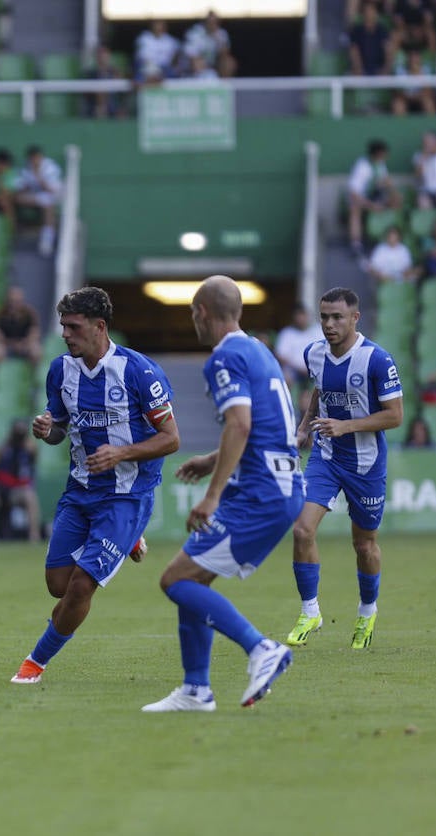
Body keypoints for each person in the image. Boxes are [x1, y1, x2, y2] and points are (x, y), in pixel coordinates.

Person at [143, 276, 301, 712]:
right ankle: (196, 689)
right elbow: (260, 426)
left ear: (201, 313)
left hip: (260, 494)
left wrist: (211, 496)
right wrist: (212, 461)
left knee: (174, 580)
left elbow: (241, 425)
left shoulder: (223, 358)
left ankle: (260, 648)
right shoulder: (259, 351)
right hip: (277, 484)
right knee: (193, 577)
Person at [10, 287, 179, 686]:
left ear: (99, 327)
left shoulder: (139, 371)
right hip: (80, 491)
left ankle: (34, 663)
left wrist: (121, 455)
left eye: (73, 326)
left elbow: (171, 438)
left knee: (82, 586)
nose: (65, 334)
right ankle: (129, 540)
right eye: (63, 326)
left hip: (126, 494)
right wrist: (49, 430)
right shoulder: (60, 370)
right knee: (58, 586)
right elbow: (61, 429)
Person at [285, 287, 404, 651]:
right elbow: (320, 392)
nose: (329, 325)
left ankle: (367, 612)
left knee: (364, 544)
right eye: (324, 317)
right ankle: (310, 612)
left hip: (366, 464)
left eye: (337, 317)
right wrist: (305, 427)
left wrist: (346, 426)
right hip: (326, 456)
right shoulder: (313, 354)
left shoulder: (377, 360)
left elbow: (395, 416)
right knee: (303, 529)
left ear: (355, 318)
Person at [0, 420, 40, 542]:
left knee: (30, 496)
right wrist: (7, 443)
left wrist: (25, 441)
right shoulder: (5, 447)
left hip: (17, 490)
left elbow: (35, 454)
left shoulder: (28, 448)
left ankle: (34, 536)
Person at [347, 139, 403, 259]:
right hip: (361, 199)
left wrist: (395, 194)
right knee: (354, 209)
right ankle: (356, 244)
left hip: (375, 196)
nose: (386, 156)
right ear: (377, 154)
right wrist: (372, 205)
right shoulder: (362, 166)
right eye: (384, 154)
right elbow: (354, 194)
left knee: (397, 200)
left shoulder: (381, 164)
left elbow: (386, 183)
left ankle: (393, 236)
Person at [15, 145, 63, 257]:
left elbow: (52, 190)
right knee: (15, 198)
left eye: (37, 157)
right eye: (32, 158)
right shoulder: (27, 168)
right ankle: (14, 232)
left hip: (52, 197)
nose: (35, 160)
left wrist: (38, 176)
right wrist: (26, 185)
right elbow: (20, 189)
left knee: (48, 203)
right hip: (34, 198)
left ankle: (47, 240)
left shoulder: (50, 167)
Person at [273, 304, 324, 390]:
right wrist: (300, 368)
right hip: (293, 372)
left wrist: (311, 368)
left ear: (308, 316)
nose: (300, 319)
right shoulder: (287, 333)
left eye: (302, 315)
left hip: (317, 370)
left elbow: (326, 352)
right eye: (298, 316)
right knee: (283, 378)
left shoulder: (319, 330)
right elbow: (280, 356)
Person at [0, 286, 42, 366]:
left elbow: (35, 333)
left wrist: (24, 343)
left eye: (17, 301)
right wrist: (12, 344)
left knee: (36, 350)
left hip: (25, 345)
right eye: (12, 301)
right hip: (6, 345)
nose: (14, 304)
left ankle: (33, 374)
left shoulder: (29, 314)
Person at [413, 130, 436, 210]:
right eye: (424, 143)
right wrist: (423, 159)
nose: (425, 145)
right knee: (423, 204)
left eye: (428, 142)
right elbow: (417, 175)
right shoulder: (419, 156)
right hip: (426, 191)